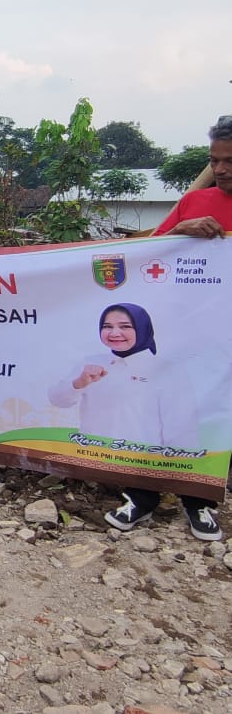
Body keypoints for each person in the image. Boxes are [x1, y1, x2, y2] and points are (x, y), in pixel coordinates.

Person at [98, 115, 232, 541]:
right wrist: (178, 230)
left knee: (210, 417)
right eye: (216, 161)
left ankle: (200, 500)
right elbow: (148, 252)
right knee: (158, 413)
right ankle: (143, 495)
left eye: (229, 160)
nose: (222, 169)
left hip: (222, 343)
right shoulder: (196, 202)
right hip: (180, 335)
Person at [48, 303, 199, 447]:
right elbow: (58, 401)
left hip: (141, 464)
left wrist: (171, 468)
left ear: (142, 329)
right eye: (107, 327)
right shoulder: (91, 363)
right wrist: (79, 383)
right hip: (91, 458)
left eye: (125, 326)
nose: (114, 333)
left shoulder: (167, 370)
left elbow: (182, 429)